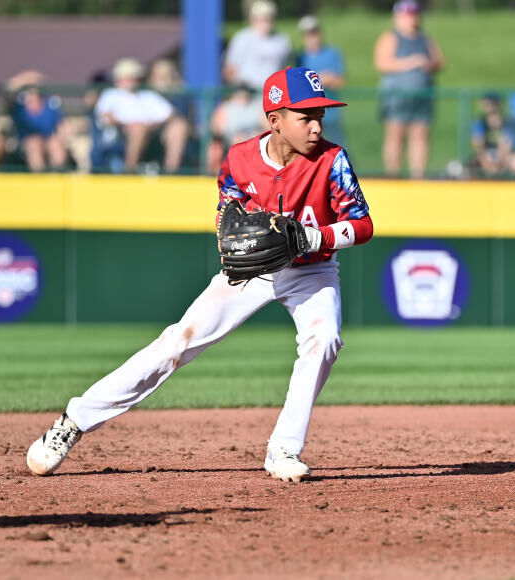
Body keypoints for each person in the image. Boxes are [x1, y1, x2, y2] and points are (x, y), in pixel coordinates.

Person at [26, 66, 374, 483]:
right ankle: (73, 422)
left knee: (324, 338)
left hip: (312, 270)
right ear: (275, 119)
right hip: (254, 270)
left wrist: (311, 239)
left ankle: (284, 449)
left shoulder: (332, 160)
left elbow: (363, 224)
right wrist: (234, 242)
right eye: (306, 116)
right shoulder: (240, 160)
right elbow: (228, 221)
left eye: (321, 115)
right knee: (177, 343)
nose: (317, 125)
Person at [374, 0, 444, 179]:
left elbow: (439, 62)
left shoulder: (425, 39)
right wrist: (410, 62)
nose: (411, 19)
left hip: (421, 95)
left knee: (420, 134)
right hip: (397, 96)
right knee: (396, 134)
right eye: (407, 16)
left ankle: (417, 176)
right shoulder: (390, 38)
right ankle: (394, 175)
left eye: (414, 15)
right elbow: (382, 63)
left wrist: (428, 64)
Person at [94, 58, 189, 174]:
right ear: (118, 79)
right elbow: (106, 117)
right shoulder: (110, 95)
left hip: (153, 134)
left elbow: (169, 114)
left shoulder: (147, 95)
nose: (133, 81)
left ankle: (171, 173)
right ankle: (129, 172)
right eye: (129, 77)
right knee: (138, 128)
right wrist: (131, 124)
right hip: (120, 136)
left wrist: (152, 125)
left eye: (135, 77)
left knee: (179, 127)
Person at [296, 15, 346, 146]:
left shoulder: (332, 53)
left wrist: (316, 80)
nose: (312, 37)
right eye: (308, 34)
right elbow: (299, 84)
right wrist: (321, 79)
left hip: (331, 111)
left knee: (338, 147)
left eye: (314, 32)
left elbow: (339, 82)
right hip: (308, 112)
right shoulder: (300, 57)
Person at [7, 70, 69, 172]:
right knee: (35, 144)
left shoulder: (50, 103)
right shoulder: (19, 104)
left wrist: (62, 137)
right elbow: (7, 90)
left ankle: (56, 178)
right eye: (30, 87)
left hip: (48, 138)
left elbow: (61, 124)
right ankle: (39, 179)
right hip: (26, 140)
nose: (33, 90)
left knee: (56, 146)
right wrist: (24, 79)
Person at [223, 1, 291, 90]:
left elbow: (286, 69)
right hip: (248, 94)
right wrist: (239, 90)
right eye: (262, 18)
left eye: (268, 18)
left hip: (275, 93)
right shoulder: (241, 39)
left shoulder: (282, 41)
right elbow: (229, 70)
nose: (265, 22)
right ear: (253, 19)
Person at [468, 92, 515, 177]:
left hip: (505, 156)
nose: (490, 106)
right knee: (473, 165)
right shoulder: (480, 123)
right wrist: (485, 160)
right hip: (487, 155)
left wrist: (501, 161)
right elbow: (478, 145)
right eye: (487, 104)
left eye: (492, 103)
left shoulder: (507, 123)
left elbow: (506, 144)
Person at [205, 84, 266, 174]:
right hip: (230, 137)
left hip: (253, 136)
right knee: (238, 140)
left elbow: (266, 126)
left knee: (255, 139)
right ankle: (240, 173)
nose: (243, 97)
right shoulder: (226, 107)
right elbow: (217, 129)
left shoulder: (256, 106)